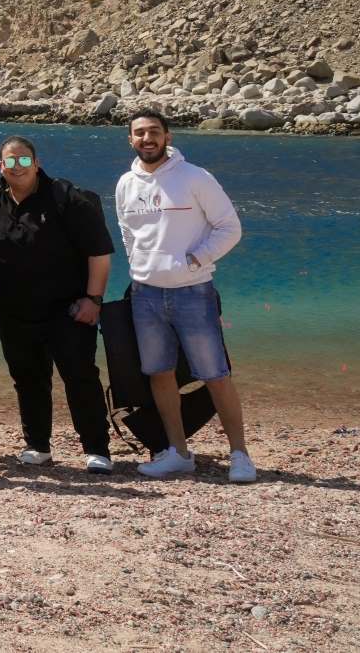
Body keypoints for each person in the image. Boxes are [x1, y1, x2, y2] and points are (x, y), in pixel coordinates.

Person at [0, 136, 114, 472]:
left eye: (24, 160)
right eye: (10, 161)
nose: (18, 167)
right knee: (27, 378)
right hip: (11, 309)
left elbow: (99, 253)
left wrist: (94, 299)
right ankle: (38, 445)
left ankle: (97, 449)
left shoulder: (67, 197)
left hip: (67, 308)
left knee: (80, 376)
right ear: (1, 166)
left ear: (36, 164)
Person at [115, 111, 253, 482]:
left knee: (215, 374)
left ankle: (240, 454)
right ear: (130, 139)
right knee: (159, 373)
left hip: (193, 292)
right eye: (139, 133)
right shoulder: (126, 183)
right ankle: (178, 452)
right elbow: (127, 232)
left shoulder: (195, 177)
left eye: (154, 132)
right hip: (145, 294)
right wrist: (140, 265)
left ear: (168, 136)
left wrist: (196, 259)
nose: (147, 139)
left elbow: (230, 228)